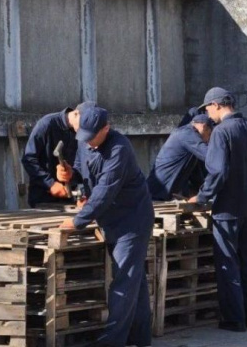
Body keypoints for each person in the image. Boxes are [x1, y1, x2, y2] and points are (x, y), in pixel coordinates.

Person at [58, 106, 154, 347]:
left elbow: (104, 191)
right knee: (134, 281)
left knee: (123, 284)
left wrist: (78, 220)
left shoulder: (119, 149)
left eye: (92, 137)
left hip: (132, 221)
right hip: (111, 220)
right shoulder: (85, 140)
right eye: (83, 136)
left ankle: (111, 342)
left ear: (106, 129)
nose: (87, 142)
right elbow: (83, 171)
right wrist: (71, 175)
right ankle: (140, 338)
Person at [188, 87, 247, 332]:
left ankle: (234, 319)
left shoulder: (222, 132)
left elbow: (218, 171)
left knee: (228, 264)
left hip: (228, 208)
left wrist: (202, 197)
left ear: (217, 105)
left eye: (208, 108)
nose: (208, 113)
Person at [21, 102, 92, 207]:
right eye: (83, 124)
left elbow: (82, 165)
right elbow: (29, 159)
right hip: (43, 197)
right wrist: (50, 184)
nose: (83, 130)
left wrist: (80, 187)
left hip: (70, 198)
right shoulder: (46, 124)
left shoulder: (83, 134)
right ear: (76, 114)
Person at [147, 114, 213, 201]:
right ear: (204, 127)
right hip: (156, 193)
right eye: (209, 135)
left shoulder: (189, 137)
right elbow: (211, 156)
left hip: (163, 193)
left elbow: (196, 174)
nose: (208, 140)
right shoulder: (187, 134)